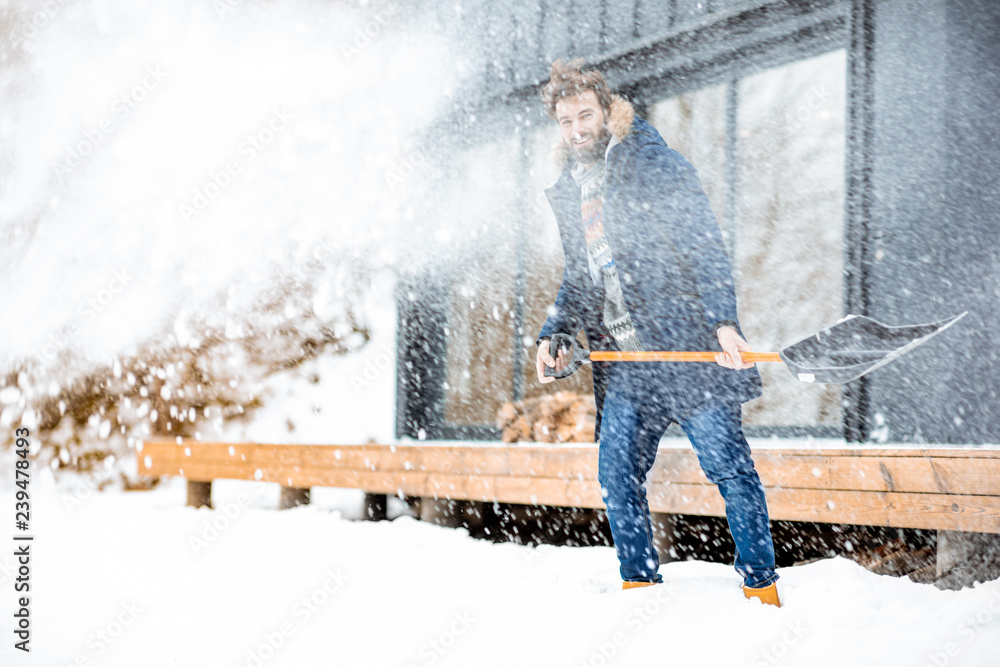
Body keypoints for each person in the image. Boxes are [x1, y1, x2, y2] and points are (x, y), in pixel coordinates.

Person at [534, 58, 780, 606]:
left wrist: (724, 324)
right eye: (566, 120)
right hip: (628, 365)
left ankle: (762, 590)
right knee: (616, 472)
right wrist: (552, 331)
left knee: (729, 469)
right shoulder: (569, 191)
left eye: (585, 115)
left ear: (607, 109)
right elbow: (579, 275)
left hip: (687, 349)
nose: (577, 129)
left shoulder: (654, 162)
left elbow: (704, 247)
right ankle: (639, 586)